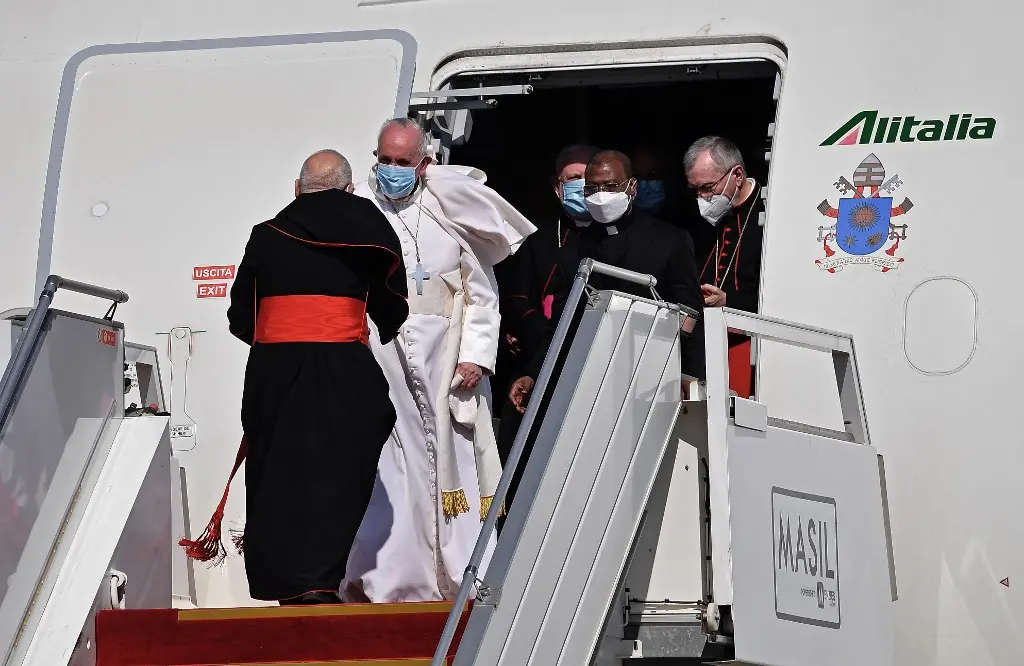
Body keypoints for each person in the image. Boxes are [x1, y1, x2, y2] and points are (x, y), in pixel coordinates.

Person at [180, 149, 409, 605]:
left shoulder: (266, 235)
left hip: (277, 370)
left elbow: (241, 315)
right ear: (348, 189)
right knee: (341, 470)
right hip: (346, 369)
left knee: (279, 471)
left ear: (298, 189)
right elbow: (391, 305)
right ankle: (322, 579)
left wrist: (282, 339)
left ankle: (287, 585)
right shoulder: (372, 230)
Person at [345, 118, 536, 602]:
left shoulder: (444, 208)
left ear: (423, 162)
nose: (391, 170)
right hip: (383, 355)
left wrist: (476, 356)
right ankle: (394, 580)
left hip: (445, 355)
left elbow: (481, 292)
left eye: (402, 162)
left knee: (458, 460)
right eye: (384, 161)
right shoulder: (361, 209)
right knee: (391, 464)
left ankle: (463, 575)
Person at [508, 149, 706, 437]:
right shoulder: (573, 252)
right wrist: (534, 372)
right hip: (592, 381)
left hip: (652, 380)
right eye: (593, 188)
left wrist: (691, 377)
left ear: (631, 187)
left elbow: (690, 316)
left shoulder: (670, 241)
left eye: (611, 187)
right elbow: (563, 326)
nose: (601, 195)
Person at [496, 143, 599, 524]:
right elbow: (518, 296)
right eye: (572, 179)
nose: (579, 186)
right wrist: (542, 336)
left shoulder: (611, 237)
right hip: (535, 358)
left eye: (586, 179)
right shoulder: (538, 238)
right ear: (557, 188)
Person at [683, 136, 764, 397]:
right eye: (695, 190)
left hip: (751, 346)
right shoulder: (696, 218)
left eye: (708, 188)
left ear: (737, 175)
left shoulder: (770, 212)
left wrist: (729, 301)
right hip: (702, 346)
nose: (702, 198)